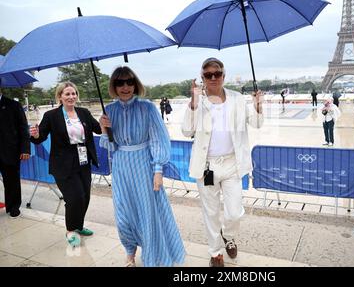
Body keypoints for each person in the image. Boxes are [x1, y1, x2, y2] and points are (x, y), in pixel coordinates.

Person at [99, 66, 185, 267]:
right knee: (123, 213)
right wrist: (104, 130)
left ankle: (152, 253)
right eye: (120, 83)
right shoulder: (109, 111)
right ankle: (130, 251)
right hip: (121, 167)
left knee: (148, 212)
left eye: (129, 81)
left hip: (144, 166)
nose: (125, 87)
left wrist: (158, 170)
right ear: (114, 86)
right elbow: (112, 147)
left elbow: (158, 139)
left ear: (135, 84)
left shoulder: (147, 108)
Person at [181, 57, 263, 267]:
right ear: (202, 78)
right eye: (208, 75)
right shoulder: (197, 102)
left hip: (232, 164)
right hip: (207, 165)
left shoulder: (237, 99)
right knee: (210, 211)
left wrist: (258, 106)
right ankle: (215, 252)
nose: (213, 78)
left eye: (217, 74)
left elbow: (257, 123)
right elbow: (186, 130)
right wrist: (193, 103)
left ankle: (229, 235)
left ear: (224, 76)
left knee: (234, 212)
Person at [29, 82, 101, 247]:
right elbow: (40, 138)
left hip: (83, 161)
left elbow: (97, 129)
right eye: (67, 94)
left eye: (73, 93)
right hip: (62, 164)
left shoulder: (84, 112)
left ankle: (79, 226)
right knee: (74, 198)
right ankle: (71, 231)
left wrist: (104, 122)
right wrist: (35, 134)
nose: (71, 97)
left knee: (85, 197)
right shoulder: (51, 115)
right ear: (60, 96)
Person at [0, 85, 30, 218]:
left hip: (10, 150)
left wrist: (25, 148)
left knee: (11, 180)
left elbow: (24, 128)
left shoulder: (13, 105)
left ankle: (13, 207)